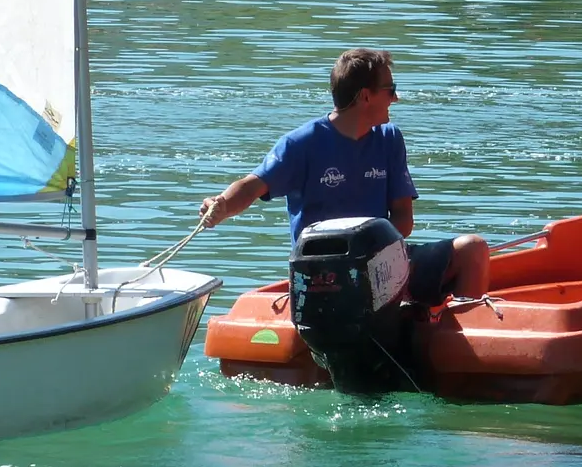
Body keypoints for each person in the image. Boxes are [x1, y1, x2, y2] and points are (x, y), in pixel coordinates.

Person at [200, 49, 489, 305]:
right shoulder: (301, 144)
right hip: (325, 274)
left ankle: (455, 347)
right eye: (390, 89)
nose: (396, 98)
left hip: (383, 262)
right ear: (366, 96)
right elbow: (251, 186)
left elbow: (404, 219)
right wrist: (222, 204)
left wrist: (375, 257)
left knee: (472, 249)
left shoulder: (389, 138)